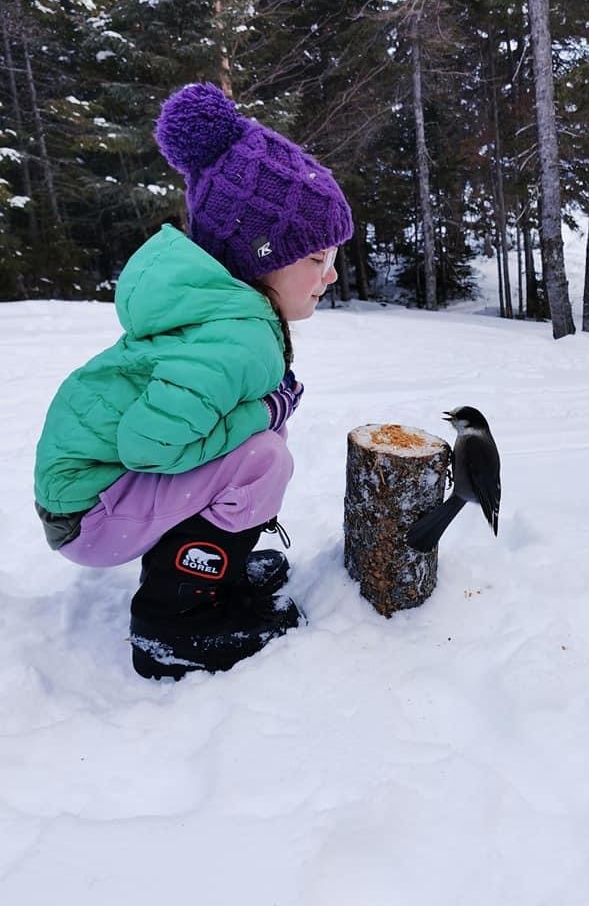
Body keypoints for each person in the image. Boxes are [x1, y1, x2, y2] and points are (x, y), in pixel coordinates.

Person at [33, 82, 354, 681]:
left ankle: (208, 565)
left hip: (88, 499)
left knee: (251, 446)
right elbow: (149, 447)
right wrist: (265, 411)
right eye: (315, 258)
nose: (330, 274)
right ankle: (174, 621)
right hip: (89, 515)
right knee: (261, 458)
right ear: (260, 256)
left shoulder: (222, 313)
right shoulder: (238, 333)